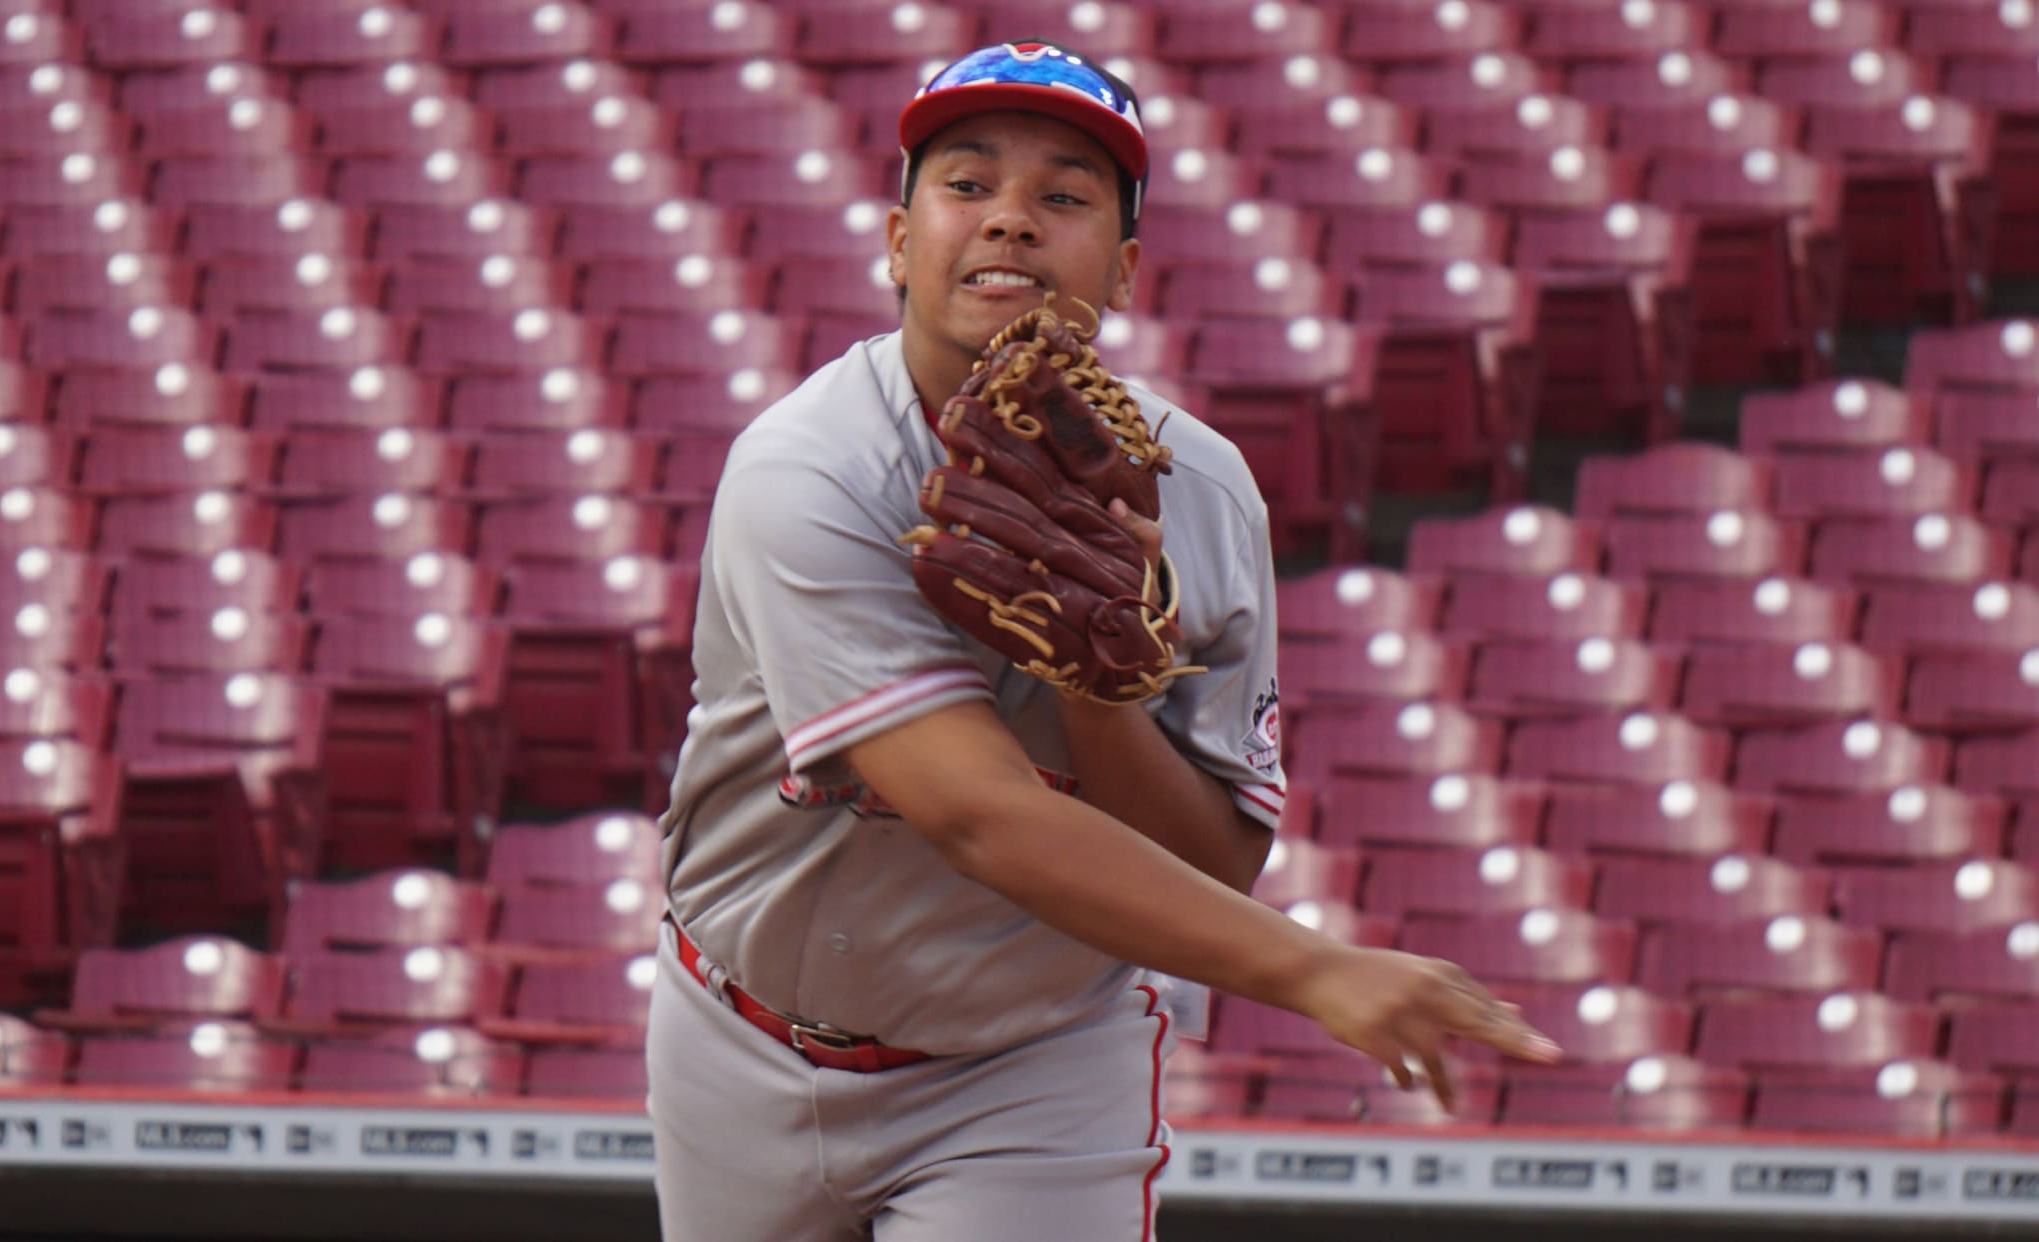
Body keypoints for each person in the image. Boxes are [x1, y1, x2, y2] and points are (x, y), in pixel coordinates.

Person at [645, 39, 1559, 1241]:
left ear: (1122, 270)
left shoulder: (1204, 494)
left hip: (1029, 1068)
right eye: (967, 185)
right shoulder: (809, 468)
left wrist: (1100, 690)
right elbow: (974, 814)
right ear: (895, 240)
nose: (1011, 222)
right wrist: (1315, 969)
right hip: (739, 1036)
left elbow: (1214, 864)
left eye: (1064, 198)